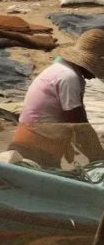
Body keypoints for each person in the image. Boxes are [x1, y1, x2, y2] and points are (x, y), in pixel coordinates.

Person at [8, 29, 104, 168]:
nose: (96, 75)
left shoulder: (61, 69)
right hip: (35, 149)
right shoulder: (69, 77)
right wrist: (98, 157)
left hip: (33, 143)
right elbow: (79, 124)